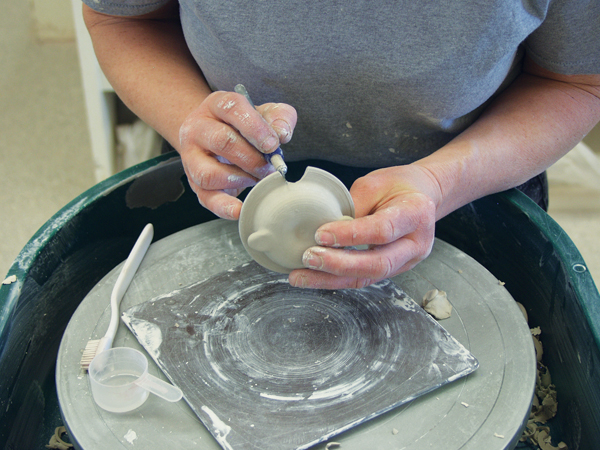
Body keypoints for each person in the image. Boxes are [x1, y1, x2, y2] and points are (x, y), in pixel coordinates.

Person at [81, 0, 600, 290]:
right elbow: (121, 18)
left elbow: (577, 80)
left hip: (471, 181)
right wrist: (187, 119)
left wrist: (441, 183)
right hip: (227, 176)